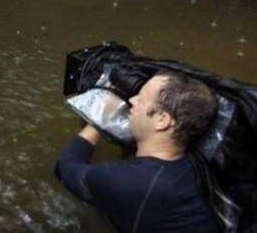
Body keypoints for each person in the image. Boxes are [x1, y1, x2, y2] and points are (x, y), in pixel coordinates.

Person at [56, 71, 220, 233]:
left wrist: (99, 119)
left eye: (140, 99)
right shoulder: (198, 166)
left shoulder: (126, 181)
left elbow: (65, 168)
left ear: (161, 120)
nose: (131, 101)